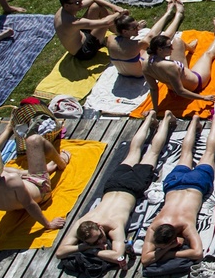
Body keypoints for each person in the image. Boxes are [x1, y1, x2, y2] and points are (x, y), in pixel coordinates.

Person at [56, 112, 176, 269]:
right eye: (96, 241)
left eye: (99, 238)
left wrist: (92, 249)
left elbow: (118, 255)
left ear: (99, 227)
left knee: (152, 152)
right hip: (113, 185)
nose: (100, 242)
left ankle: (166, 118)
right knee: (134, 151)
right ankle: (149, 119)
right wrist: (88, 246)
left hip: (133, 187)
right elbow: (59, 252)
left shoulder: (113, 226)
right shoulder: (85, 223)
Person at [139, 114, 215, 278]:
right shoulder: (160, 226)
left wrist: (167, 252)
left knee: (207, 153)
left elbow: (197, 253)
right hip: (176, 185)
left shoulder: (181, 226)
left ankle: (213, 123)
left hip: (195, 185)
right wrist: (168, 248)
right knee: (191, 152)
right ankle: (198, 121)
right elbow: (146, 259)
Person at [0, 119, 72, 237]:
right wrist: (48, 224)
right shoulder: (11, 180)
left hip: (12, 204)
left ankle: (44, 169)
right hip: (41, 190)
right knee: (34, 140)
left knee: (9, 171)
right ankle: (60, 163)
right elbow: (29, 205)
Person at [144, 17, 215, 111]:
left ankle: (190, 47)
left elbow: (153, 89)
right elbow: (180, 91)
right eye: (169, 47)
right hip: (195, 83)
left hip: (176, 80)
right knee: (207, 55)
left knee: (178, 41)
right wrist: (204, 98)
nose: (172, 48)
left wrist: (155, 108)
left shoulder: (146, 64)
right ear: (159, 49)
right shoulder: (170, 66)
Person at [109, 2, 181, 78]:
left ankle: (168, 13)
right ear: (125, 31)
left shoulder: (110, 39)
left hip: (122, 72)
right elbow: (150, 39)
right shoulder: (137, 44)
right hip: (140, 73)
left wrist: (134, 29)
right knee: (162, 39)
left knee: (150, 37)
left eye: (137, 26)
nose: (138, 29)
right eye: (135, 28)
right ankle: (178, 15)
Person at [55, 0, 123, 60]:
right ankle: (123, 32)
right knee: (104, 23)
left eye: (81, 0)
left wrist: (114, 6)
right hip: (84, 51)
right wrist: (120, 12)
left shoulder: (65, 8)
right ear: (67, 6)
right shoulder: (70, 22)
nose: (81, 4)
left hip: (81, 33)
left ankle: (120, 30)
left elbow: (94, 0)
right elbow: (106, 22)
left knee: (96, 6)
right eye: (77, 3)